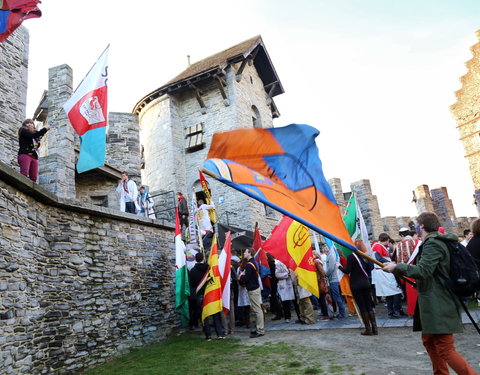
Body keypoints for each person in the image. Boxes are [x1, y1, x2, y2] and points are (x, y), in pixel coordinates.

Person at [383, 212, 477, 375]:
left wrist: (397, 267)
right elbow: (433, 273)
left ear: (422, 226)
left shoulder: (433, 243)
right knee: (429, 341)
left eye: (417, 225)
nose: (416, 228)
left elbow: (424, 270)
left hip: (439, 302)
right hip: (433, 300)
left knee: (445, 348)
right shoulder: (434, 242)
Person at [338, 245, 377, 335]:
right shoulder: (364, 256)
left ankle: (368, 329)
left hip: (356, 284)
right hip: (366, 283)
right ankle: (375, 328)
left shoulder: (351, 257)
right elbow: (369, 269)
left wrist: (339, 266)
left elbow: (347, 270)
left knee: (362, 306)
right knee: (369, 306)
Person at [189, 252, 224, 340]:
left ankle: (208, 335)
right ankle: (219, 334)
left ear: (196, 260)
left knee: (204, 316)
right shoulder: (209, 269)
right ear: (203, 259)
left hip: (200, 295)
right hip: (211, 294)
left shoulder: (193, 271)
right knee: (215, 314)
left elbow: (192, 285)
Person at [371, 233, 404, 318]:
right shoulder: (377, 246)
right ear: (387, 240)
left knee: (389, 293)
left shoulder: (378, 246)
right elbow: (377, 258)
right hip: (384, 272)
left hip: (384, 271)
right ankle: (396, 310)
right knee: (396, 291)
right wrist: (389, 262)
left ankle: (392, 311)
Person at [238, 248, 265, 338]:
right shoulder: (252, 263)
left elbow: (246, 278)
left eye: (245, 252)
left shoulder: (249, 265)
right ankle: (258, 328)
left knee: (257, 310)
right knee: (256, 309)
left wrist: (241, 276)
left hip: (253, 289)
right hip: (253, 288)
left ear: (249, 253)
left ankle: (260, 330)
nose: (244, 253)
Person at [325, 244, 347, 318]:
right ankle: (341, 312)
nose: (324, 248)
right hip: (334, 279)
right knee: (337, 297)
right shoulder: (330, 254)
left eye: (325, 246)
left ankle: (342, 313)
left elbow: (331, 268)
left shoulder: (331, 255)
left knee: (337, 297)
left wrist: (325, 274)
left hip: (333, 279)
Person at [274, 258, 295, 323]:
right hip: (283, 284)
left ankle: (299, 316)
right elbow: (277, 275)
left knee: (294, 300)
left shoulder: (291, 261)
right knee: (285, 302)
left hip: (291, 283)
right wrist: (286, 274)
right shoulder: (278, 264)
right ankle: (287, 317)